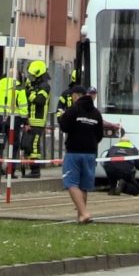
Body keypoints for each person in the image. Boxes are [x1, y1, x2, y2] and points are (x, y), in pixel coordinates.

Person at [58, 85, 103, 224]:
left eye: (72, 96)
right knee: (83, 186)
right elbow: (100, 134)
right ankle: (80, 217)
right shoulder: (96, 113)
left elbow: (64, 126)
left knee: (71, 183)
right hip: (90, 153)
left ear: (76, 95)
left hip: (74, 151)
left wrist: (62, 116)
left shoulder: (74, 109)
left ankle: (84, 213)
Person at [22, 60, 50, 178]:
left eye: (33, 75)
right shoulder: (34, 86)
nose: (31, 78)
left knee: (34, 146)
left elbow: (40, 100)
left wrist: (28, 93)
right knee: (28, 145)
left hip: (38, 121)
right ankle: (32, 169)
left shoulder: (45, 86)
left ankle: (35, 171)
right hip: (30, 121)